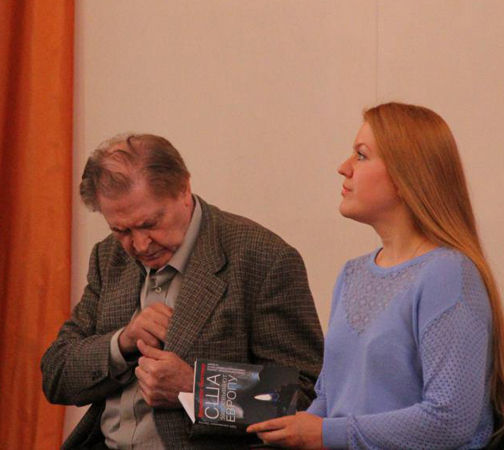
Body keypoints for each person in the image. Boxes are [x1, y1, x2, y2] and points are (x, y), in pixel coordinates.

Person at [41, 133, 324, 448]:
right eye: (121, 230)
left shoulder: (262, 258)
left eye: (150, 224)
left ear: (184, 190)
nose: (139, 245)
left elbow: (303, 396)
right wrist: (122, 343)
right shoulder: (108, 257)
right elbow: (56, 375)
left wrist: (196, 388)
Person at [248, 102, 503, 449]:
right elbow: (330, 397)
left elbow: (450, 419)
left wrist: (324, 434)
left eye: (361, 155)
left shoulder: (447, 274)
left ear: (405, 177)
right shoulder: (352, 273)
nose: (343, 167)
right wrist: (290, 429)